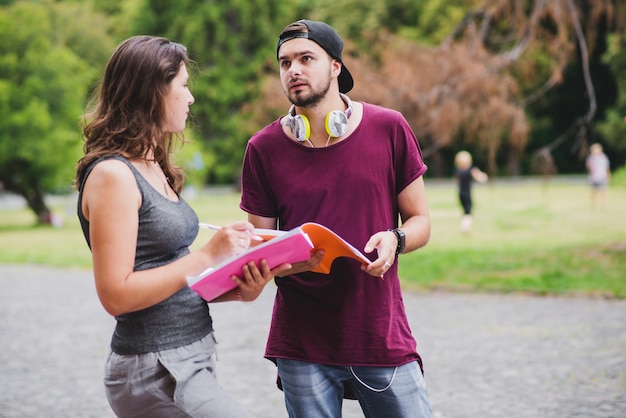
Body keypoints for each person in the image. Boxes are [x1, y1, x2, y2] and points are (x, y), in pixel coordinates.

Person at [75, 35, 290, 418]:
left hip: (189, 356)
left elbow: (166, 276)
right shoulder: (113, 175)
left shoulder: (152, 163)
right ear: (152, 90)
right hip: (154, 367)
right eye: (184, 86)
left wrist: (238, 288)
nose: (191, 98)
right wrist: (208, 254)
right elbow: (116, 295)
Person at [240, 20, 433, 418]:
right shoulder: (262, 148)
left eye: (305, 58)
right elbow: (259, 249)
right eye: (284, 62)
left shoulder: (389, 128)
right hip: (302, 343)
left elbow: (421, 221)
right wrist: (285, 262)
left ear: (336, 67)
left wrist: (395, 238)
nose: (292, 70)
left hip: (379, 333)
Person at [453, 150, 488, 234]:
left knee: (465, 210)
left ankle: (464, 226)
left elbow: (455, 180)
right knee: (468, 212)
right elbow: (480, 178)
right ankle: (465, 227)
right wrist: (484, 177)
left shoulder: (458, 171)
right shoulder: (470, 170)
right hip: (467, 194)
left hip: (460, 194)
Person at [586, 143, 610, 209]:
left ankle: (603, 205)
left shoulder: (603, 157)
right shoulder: (591, 158)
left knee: (602, 191)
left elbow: (607, 168)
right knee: (593, 191)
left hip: (602, 176)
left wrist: (608, 176)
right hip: (594, 177)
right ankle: (593, 204)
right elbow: (589, 167)